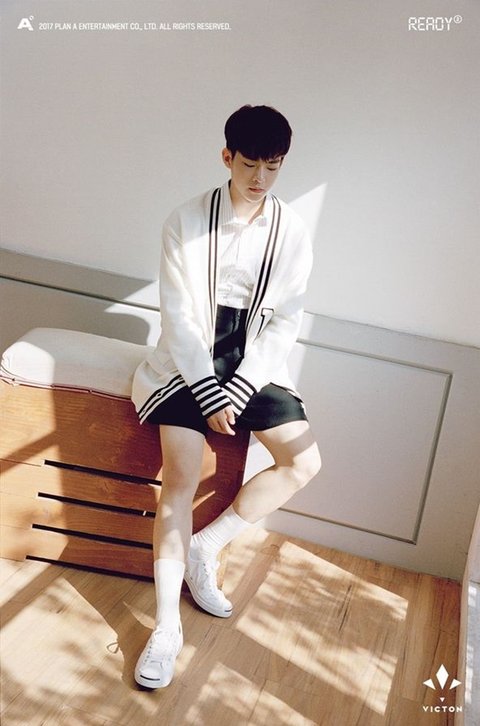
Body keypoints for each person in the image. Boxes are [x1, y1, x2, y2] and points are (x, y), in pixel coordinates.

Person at [131, 104, 321, 689]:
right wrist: (208, 390)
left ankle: (204, 548)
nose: (260, 178)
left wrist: (240, 385)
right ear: (227, 157)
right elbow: (179, 318)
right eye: (249, 163)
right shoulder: (186, 220)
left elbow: (285, 320)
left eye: (273, 166)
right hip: (186, 361)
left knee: (304, 462)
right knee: (181, 477)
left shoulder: (291, 230)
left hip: (254, 360)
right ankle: (166, 627)